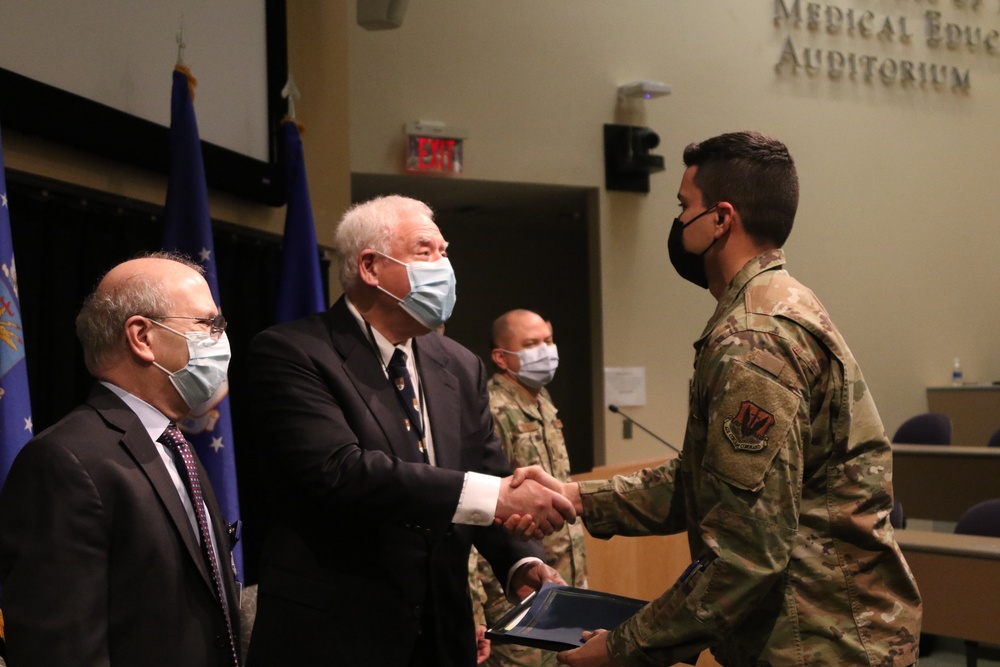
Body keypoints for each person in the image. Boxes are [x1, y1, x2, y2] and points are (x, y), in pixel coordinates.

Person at [509, 131, 922, 666]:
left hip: (821, 642)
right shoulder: (777, 305)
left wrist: (621, 646)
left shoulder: (754, 339)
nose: (679, 223)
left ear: (721, 219)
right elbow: (704, 480)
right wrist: (577, 497)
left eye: (685, 207)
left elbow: (747, 554)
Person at [244, 195, 574, 667]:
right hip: (337, 636)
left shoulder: (458, 364)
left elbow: (486, 469)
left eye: (445, 251)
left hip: (443, 633)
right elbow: (342, 471)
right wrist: (499, 496)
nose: (445, 265)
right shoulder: (291, 352)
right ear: (371, 267)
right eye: (426, 252)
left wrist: (521, 561)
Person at [0, 253, 242, 666]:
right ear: (142, 337)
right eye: (209, 324)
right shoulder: (65, 460)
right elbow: (62, 651)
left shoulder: (174, 443)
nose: (221, 339)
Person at [471, 310, 589, 667]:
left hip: (561, 577)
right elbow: (480, 505)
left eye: (548, 341)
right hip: (515, 592)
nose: (546, 350)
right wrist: (475, 605)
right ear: (500, 357)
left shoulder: (541, 399)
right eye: (531, 344)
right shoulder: (492, 409)